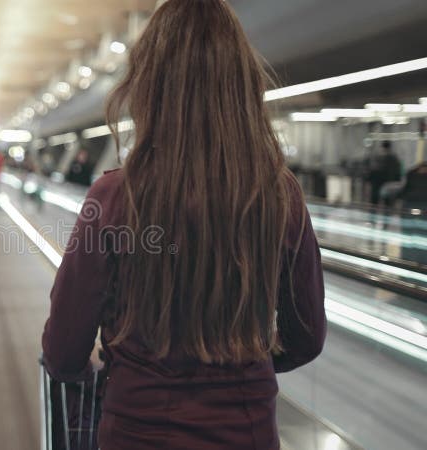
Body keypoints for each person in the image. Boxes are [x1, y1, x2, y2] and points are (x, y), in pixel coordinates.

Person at [41, 1, 326, 449]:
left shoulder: (115, 198)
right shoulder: (279, 195)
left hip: (136, 430)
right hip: (247, 432)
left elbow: (62, 350)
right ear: (242, 85)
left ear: (150, 86)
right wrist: (242, 366)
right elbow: (306, 338)